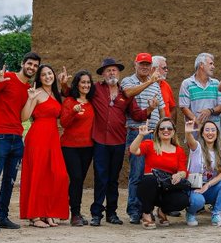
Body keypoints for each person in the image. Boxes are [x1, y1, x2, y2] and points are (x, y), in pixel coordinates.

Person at [87, 57, 155, 226]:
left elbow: (137, 115)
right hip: (100, 141)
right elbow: (75, 94)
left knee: (113, 179)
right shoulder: (95, 89)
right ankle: (96, 214)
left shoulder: (125, 94)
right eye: (108, 70)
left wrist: (150, 109)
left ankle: (112, 213)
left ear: (119, 73)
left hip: (118, 142)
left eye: (115, 70)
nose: (112, 72)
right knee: (100, 178)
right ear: (103, 74)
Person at [0, 52, 40, 232]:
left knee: (9, 180)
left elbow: (23, 117)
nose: (31, 67)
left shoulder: (28, 88)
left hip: (17, 138)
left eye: (35, 66)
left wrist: (31, 99)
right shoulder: (7, 77)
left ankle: (3, 217)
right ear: (23, 63)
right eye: (30, 64)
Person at [19, 64, 69, 228]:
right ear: (39, 78)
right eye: (44, 75)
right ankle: (35, 215)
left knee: (57, 174)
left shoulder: (55, 93)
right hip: (38, 137)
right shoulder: (37, 92)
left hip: (52, 138)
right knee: (38, 174)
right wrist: (31, 98)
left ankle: (48, 213)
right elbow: (24, 117)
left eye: (50, 73)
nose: (48, 76)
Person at [121, 52, 166, 224]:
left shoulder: (156, 85)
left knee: (154, 174)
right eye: (142, 64)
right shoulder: (128, 81)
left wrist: (164, 127)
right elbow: (128, 93)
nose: (144, 67)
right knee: (137, 174)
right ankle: (134, 210)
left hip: (155, 134)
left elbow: (161, 107)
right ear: (135, 64)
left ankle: (148, 209)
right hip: (136, 133)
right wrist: (150, 81)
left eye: (147, 64)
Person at [129, 118, 188, 229]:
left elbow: (183, 171)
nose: (166, 130)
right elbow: (133, 150)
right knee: (149, 179)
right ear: (157, 131)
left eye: (169, 128)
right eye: (162, 128)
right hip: (150, 187)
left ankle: (162, 211)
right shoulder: (150, 144)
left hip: (167, 187)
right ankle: (146, 213)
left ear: (174, 131)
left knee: (183, 200)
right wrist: (141, 135)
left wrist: (179, 175)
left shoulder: (179, 150)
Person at [60, 70, 96, 226]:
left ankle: (77, 212)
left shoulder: (92, 101)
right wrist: (74, 112)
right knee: (75, 178)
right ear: (77, 84)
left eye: (88, 82)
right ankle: (74, 214)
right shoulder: (69, 101)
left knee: (79, 180)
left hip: (88, 147)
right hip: (70, 146)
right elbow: (64, 123)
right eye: (83, 82)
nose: (86, 85)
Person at [183, 120, 221, 227]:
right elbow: (191, 141)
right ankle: (190, 213)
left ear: (217, 133)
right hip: (195, 188)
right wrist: (188, 133)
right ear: (202, 133)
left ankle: (217, 215)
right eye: (207, 130)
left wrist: (208, 184)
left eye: (213, 130)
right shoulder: (197, 147)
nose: (210, 133)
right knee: (198, 201)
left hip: (210, 187)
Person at [179, 52, 221, 130]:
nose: (213, 67)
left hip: (214, 132)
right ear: (201, 65)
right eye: (211, 64)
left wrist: (210, 111)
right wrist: (199, 124)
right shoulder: (186, 83)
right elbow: (184, 108)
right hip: (193, 131)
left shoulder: (216, 83)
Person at [153, 56, 177, 122]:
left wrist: (171, 125)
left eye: (167, 68)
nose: (166, 70)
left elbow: (173, 108)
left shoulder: (166, 85)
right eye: (164, 68)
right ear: (154, 69)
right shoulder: (145, 85)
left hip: (165, 128)